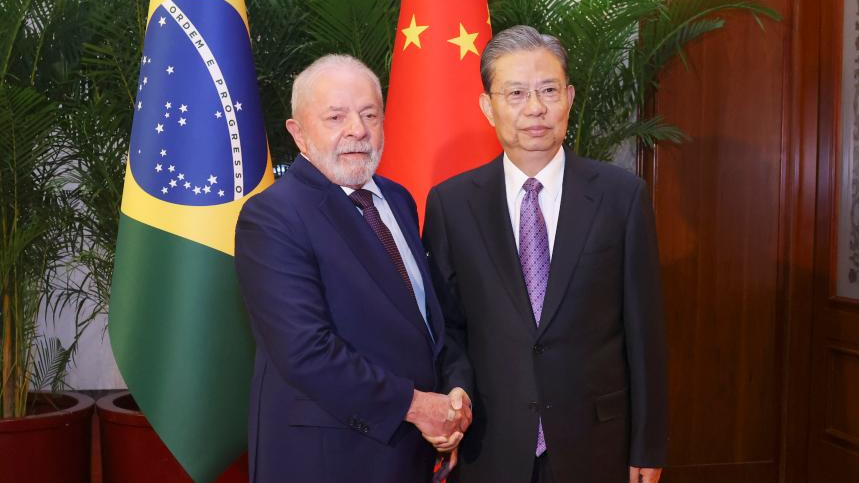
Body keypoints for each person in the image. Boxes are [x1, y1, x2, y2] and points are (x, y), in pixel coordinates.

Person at [422, 26, 667, 483]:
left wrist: (648, 445)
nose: (535, 108)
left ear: (569, 97)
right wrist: (453, 400)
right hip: (489, 446)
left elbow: (644, 329)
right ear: (487, 106)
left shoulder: (622, 197)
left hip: (597, 446)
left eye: (548, 90)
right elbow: (447, 326)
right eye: (515, 92)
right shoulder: (451, 205)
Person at [234, 54, 470, 483]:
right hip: (327, 458)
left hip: (408, 453)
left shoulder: (398, 200)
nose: (357, 130)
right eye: (335, 116)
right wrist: (419, 407)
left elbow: (423, 321)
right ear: (298, 133)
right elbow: (307, 351)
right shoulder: (272, 216)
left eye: (369, 114)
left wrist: (452, 397)